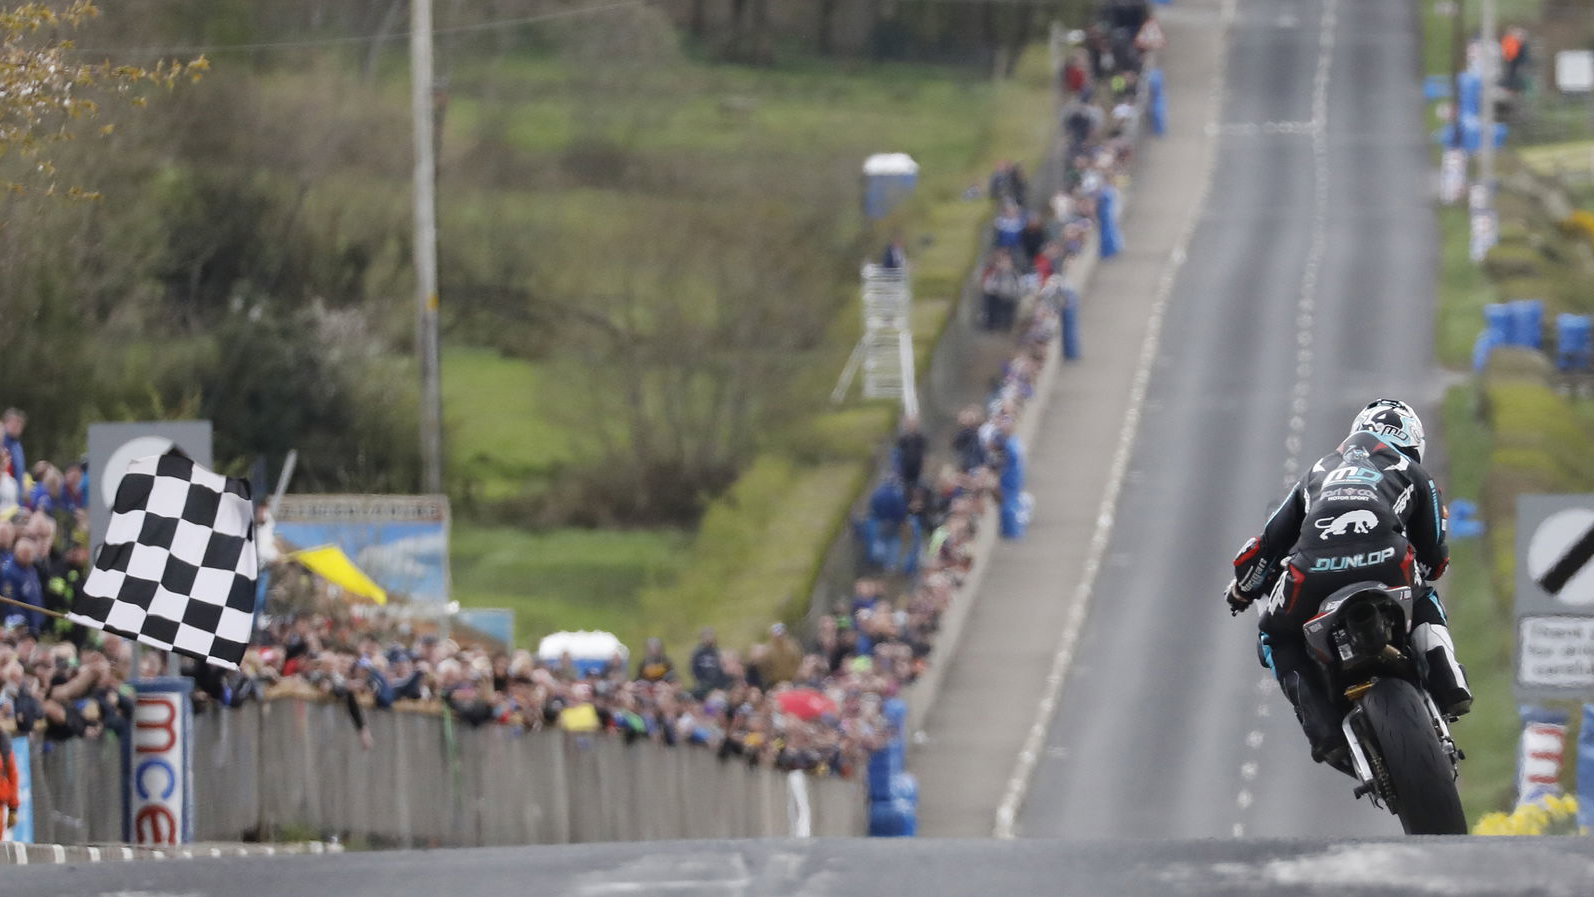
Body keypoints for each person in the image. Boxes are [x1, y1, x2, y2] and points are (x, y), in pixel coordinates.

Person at [1224, 400, 1472, 767]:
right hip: (1387, 560)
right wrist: (1428, 569)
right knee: (1422, 596)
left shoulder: (1317, 470)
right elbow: (1435, 551)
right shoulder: (1412, 471)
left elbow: (1267, 545)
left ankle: (1323, 731)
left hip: (1313, 572)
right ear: (1413, 442)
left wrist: (1243, 590)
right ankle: (1449, 681)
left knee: (1274, 636)